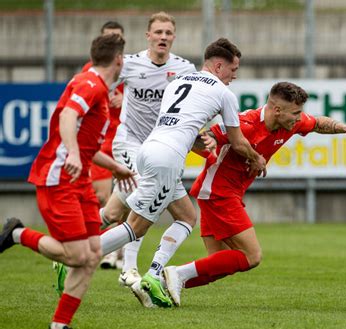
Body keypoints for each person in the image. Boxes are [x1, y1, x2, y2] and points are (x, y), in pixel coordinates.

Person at [161, 81, 346, 307]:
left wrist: (345, 128)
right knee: (251, 256)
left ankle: (159, 282)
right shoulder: (246, 123)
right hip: (218, 192)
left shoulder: (291, 123)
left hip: (222, 193)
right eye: (295, 113)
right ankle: (177, 274)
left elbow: (318, 124)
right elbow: (198, 140)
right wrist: (213, 145)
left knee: (220, 264)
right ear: (277, 110)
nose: (298, 118)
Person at [99, 37, 267, 308]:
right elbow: (238, 142)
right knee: (134, 226)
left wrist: (204, 142)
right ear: (219, 65)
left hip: (149, 149)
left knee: (187, 216)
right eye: (233, 70)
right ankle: (77, 256)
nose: (234, 76)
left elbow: (182, 125)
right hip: (167, 159)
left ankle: (154, 274)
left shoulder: (177, 82)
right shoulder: (224, 94)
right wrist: (256, 158)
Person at [0, 34, 135, 329]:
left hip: (80, 179)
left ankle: (60, 325)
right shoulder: (90, 84)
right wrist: (73, 152)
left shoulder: (96, 86)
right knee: (76, 256)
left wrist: (114, 167)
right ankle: (18, 233)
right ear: (119, 60)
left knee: (92, 253)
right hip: (57, 178)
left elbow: (87, 145)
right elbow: (68, 116)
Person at [98, 12, 198, 279]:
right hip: (130, 142)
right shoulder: (130, 64)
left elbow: (194, 105)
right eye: (158, 32)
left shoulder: (185, 69)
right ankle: (129, 269)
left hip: (162, 149)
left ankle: (74, 242)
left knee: (114, 211)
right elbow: (100, 82)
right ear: (148, 36)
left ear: (173, 37)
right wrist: (111, 96)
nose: (163, 37)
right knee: (146, 193)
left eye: (168, 33)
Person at [81, 21, 126, 269]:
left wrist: (125, 99)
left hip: (122, 138)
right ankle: (106, 248)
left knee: (125, 197)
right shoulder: (90, 71)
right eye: (109, 37)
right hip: (99, 141)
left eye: (117, 38)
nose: (113, 41)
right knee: (102, 197)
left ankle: (117, 251)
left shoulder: (130, 68)